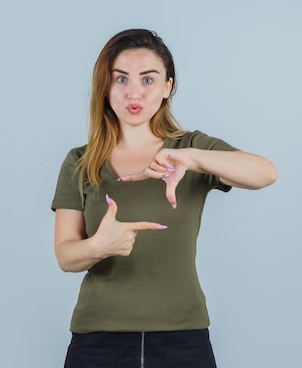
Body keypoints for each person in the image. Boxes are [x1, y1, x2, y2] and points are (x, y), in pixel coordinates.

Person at [51, 29, 277, 368]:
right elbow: (66, 256)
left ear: (167, 87)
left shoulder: (190, 150)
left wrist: (194, 159)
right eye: (121, 79)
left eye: (148, 80)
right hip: (98, 339)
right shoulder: (80, 161)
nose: (133, 92)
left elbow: (265, 173)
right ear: (105, 86)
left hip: (182, 338)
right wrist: (100, 245)